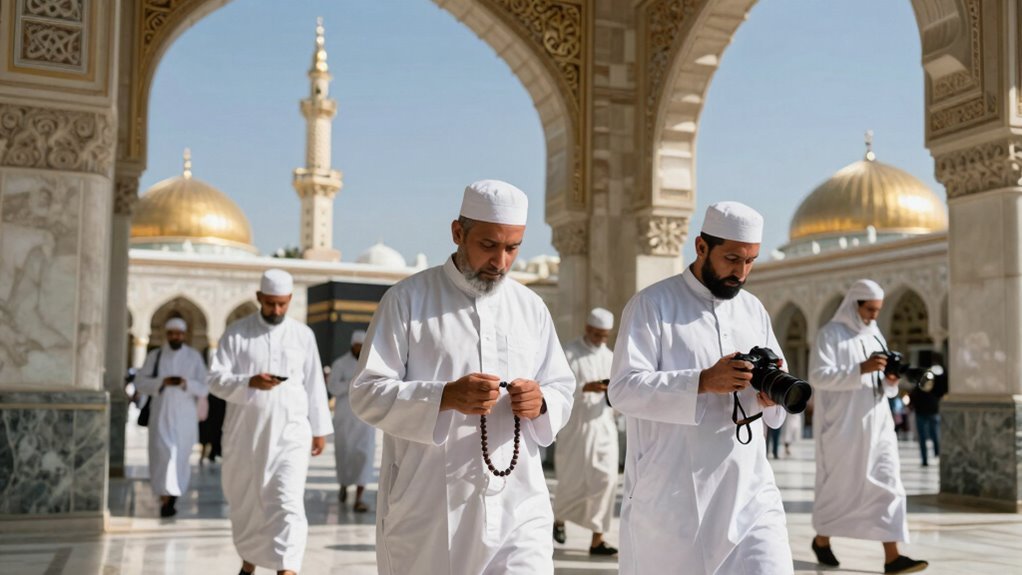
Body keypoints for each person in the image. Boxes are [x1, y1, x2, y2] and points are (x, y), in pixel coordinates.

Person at [349, 180, 575, 575]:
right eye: (488, 245)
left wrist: (541, 402)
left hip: (519, 508)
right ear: (458, 233)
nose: (500, 262)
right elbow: (366, 393)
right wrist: (444, 397)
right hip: (432, 509)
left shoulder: (531, 308)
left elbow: (561, 387)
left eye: (512, 248)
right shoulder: (407, 301)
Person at [609, 201, 793, 575]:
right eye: (731, 258)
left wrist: (769, 397)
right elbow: (624, 390)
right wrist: (702, 382)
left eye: (750, 261)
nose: (740, 272)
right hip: (674, 496)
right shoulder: (652, 305)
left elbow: (776, 385)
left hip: (749, 492)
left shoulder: (753, 309)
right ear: (700, 247)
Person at [208, 269, 333, 575]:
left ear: (290, 300)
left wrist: (319, 430)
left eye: (282, 304)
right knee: (248, 501)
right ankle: (249, 561)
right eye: (270, 304)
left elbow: (314, 384)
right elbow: (214, 380)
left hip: (291, 434)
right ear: (259, 298)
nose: (276, 310)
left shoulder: (303, 335)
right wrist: (248, 381)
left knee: (286, 501)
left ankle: (287, 568)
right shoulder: (236, 334)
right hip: (245, 436)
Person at [809, 279, 928, 574]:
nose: (874, 315)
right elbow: (818, 377)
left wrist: (890, 381)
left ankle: (892, 556)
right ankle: (822, 539)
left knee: (888, 484)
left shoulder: (876, 336)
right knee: (842, 488)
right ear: (855, 305)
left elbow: (884, 387)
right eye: (870, 309)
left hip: (878, 426)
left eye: (878, 310)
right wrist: (859, 369)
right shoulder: (830, 335)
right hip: (844, 430)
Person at [552, 307, 619, 556]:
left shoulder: (612, 357)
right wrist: (584, 388)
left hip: (603, 427)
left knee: (607, 479)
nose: (599, 338)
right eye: (596, 333)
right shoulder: (568, 353)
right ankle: (559, 519)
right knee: (572, 480)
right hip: (576, 429)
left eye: (604, 335)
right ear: (587, 329)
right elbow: (557, 388)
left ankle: (598, 539)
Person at [134, 317, 209, 518]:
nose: (175, 336)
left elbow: (204, 386)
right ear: (167, 335)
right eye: (172, 333)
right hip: (160, 414)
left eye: (179, 333)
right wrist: (161, 382)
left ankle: (172, 496)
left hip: (185, 416)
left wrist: (186, 384)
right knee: (162, 454)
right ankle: (164, 495)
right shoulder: (155, 356)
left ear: (184, 335)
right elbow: (140, 382)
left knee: (180, 455)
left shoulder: (193, 357)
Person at [327, 329, 375, 512]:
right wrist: (352, 385)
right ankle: (344, 486)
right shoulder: (340, 364)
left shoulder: (372, 365)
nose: (359, 350)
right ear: (352, 346)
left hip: (365, 420)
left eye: (363, 347)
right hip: (345, 420)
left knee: (364, 456)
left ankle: (359, 498)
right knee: (345, 455)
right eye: (357, 347)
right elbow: (332, 386)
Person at [909, 352, 946, 467]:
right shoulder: (936, 377)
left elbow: (914, 394)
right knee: (933, 435)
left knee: (925, 437)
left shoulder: (923, 377)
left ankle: (927, 459)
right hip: (930, 409)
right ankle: (934, 455)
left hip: (924, 410)